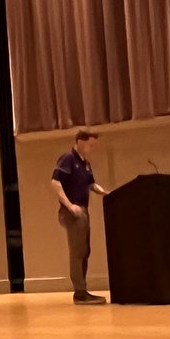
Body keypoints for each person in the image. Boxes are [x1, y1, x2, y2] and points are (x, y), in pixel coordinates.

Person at [51, 130, 109, 305]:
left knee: (85, 251)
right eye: (90, 144)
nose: (91, 148)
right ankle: (80, 293)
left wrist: (106, 193)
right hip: (72, 212)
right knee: (77, 252)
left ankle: (83, 290)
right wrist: (69, 205)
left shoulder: (86, 164)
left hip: (84, 211)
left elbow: (91, 184)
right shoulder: (68, 159)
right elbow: (55, 182)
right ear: (80, 142)